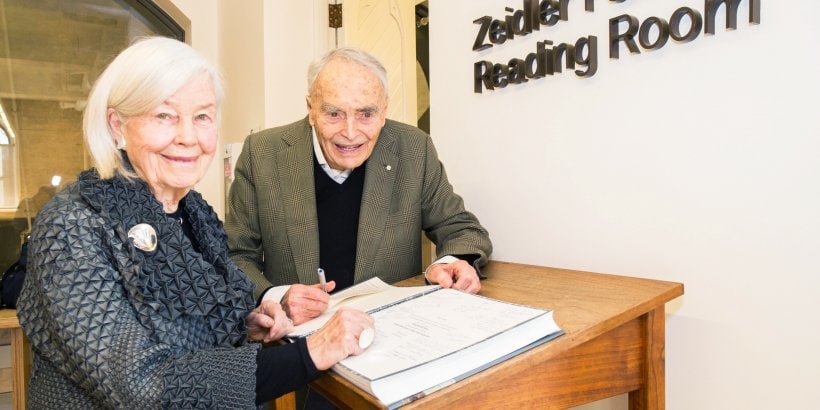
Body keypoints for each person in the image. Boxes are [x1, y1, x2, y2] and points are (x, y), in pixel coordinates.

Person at [17, 37, 374, 409]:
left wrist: (247, 326)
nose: (188, 137)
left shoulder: (194, 212)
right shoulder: (71, 226)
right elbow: (145, 388)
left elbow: (192, 330)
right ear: (116, 125)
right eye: (164, 116)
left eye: (202, 116)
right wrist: (310, 353)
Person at [226, 47, 492, 325]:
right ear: (311, 109)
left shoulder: (415, 148)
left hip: (391, 331)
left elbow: (462, 229)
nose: (351, 133)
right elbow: (236, 255)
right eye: (334, 114)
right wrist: (274, 298)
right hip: (297, 340)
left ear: (384, 109)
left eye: (366, 114)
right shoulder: (261, 154)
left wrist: (448, 263)